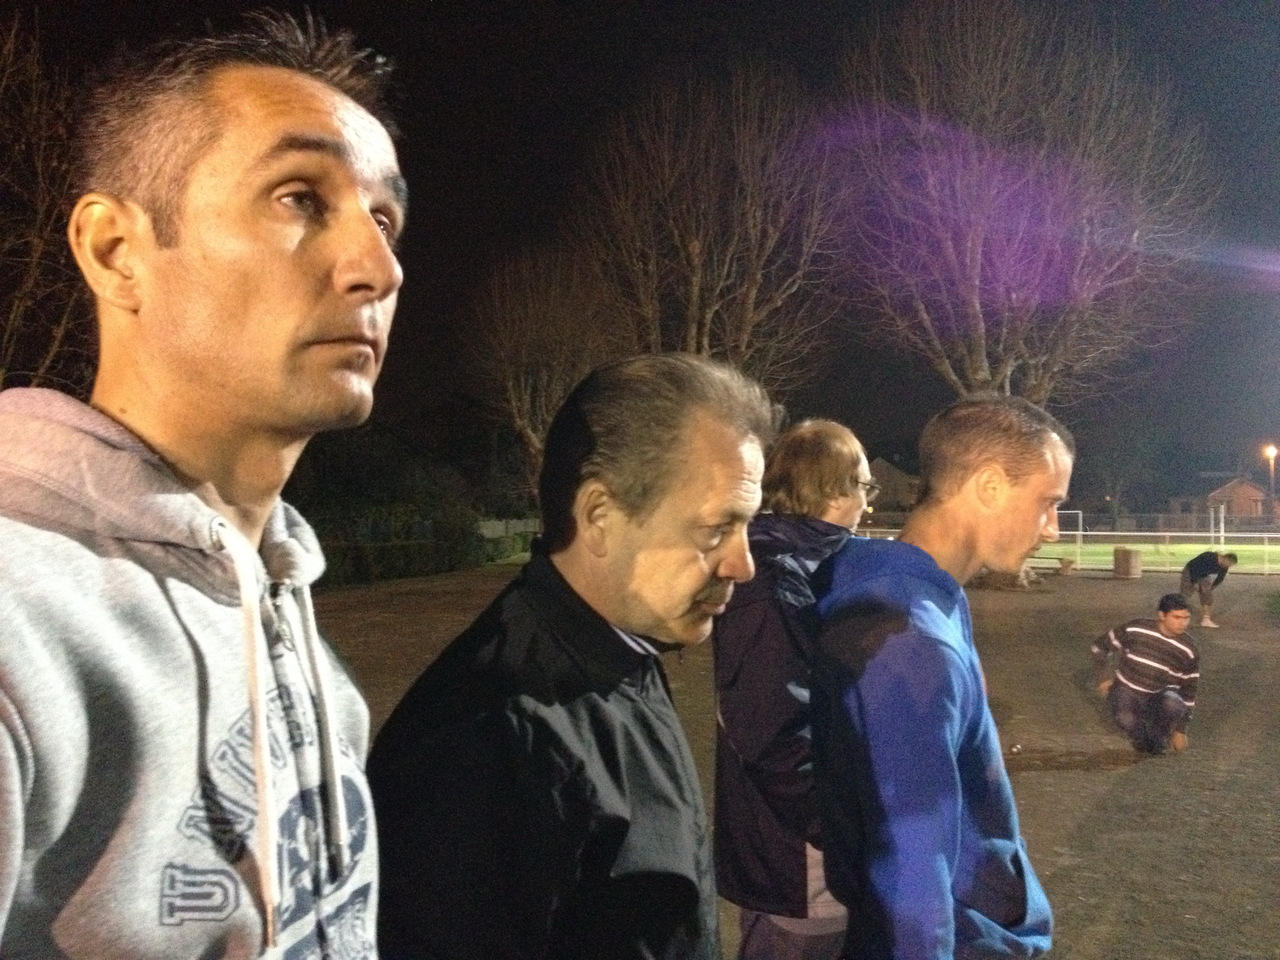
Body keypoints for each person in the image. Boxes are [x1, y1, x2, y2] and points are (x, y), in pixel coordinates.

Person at [0, 13, 406, 958]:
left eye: (385, 219)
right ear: (115, 250)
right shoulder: (19, 633)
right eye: (300, 197)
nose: (379, 267)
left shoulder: (310, 651)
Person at [368, 354, 776, 959]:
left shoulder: (625, 645)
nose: (743, 564)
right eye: (717, 528)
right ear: (598, 517)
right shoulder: (484, 738)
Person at [812, 394, 1067, 960]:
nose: (1051, 528)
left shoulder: (918, 596)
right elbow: (912, 865)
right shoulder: (909, 638)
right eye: (1048, 503)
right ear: (990, 485)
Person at [712, 419, 874, 960]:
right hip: (801, 867)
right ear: (835, 489)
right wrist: (840, 832)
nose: (868, 502)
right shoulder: (774, 578)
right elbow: (770, 733)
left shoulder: (820, 566)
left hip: (817, 858)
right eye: (865, 486)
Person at [1091, 593, 1198, 755]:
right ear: (1161, 615)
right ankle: (1144, 741)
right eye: (1176, 617)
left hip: (1159, 695)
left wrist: (1180, 730)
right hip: (1126, 690)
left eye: (1186, 618)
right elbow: (1099, 647)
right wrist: (1103, 678)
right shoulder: (1135, 629)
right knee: (1125, 719)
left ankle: (1157, 738)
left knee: (1174, 705)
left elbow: (1189, 690)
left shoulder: (1189, 649)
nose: (1182, 623)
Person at [1179, 550, 1237, 628]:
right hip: (1190, 571)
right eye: (1229, 564)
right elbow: (1196, 570)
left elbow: (1219, 579)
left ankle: (1206, 620)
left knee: (1207, 594)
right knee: (1185, 594)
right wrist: (1195, 584)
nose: (1229, 566)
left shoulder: (1224, 567)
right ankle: (1177, 612)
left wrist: (1210, 589)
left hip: (1204, 575)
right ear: (1225, 558)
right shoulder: (1209, 557)